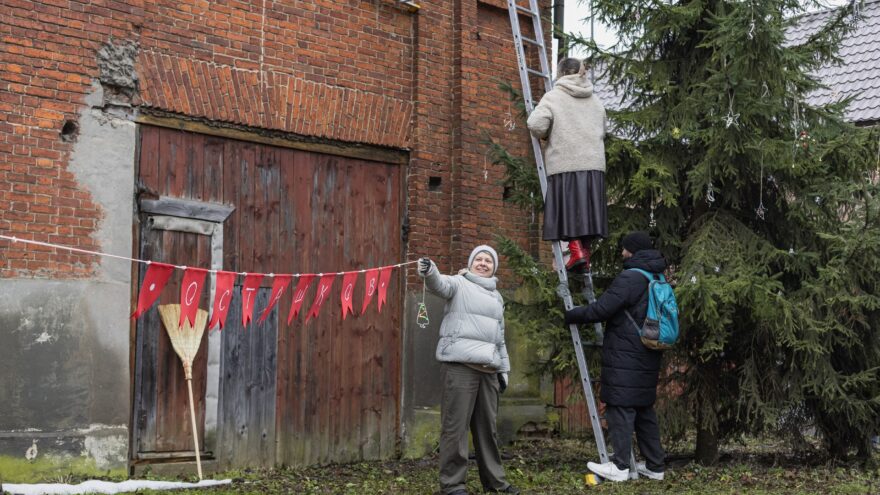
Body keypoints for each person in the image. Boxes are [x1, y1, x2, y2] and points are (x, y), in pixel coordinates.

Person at [563, 231, 666, 482]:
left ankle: (619, 467)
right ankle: (655, 466)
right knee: (643, 409)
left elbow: (603, 308)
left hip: (626, 354)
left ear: (633, 251)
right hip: (648, 351)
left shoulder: (631, 277)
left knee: (620, 406)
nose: (621, 253)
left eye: (624, 249)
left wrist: (572, 314)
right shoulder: (657, 276)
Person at [418, 246, 519, 495]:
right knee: (455, 427)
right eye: (479, 259)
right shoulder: (458, 284)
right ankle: (453, 485)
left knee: (488, 430)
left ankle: (495, 483)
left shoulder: (497, 297)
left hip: (488, 370)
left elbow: (500, 338)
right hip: (460, 367)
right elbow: (439, 285)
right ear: (471, 263)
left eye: (488, 261)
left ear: (494, 267)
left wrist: (503, 370)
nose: (483, 263)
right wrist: (430, 271)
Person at [527, 57, 608, 272]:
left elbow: (536, 125)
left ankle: (576, 252)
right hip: (594, 166)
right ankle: (585, 257)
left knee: (568, 211)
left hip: (566, 163)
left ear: (561, 73)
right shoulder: (595, 100)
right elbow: (604, 128)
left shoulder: (554, 97)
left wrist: (547, 135)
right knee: (588, 213)